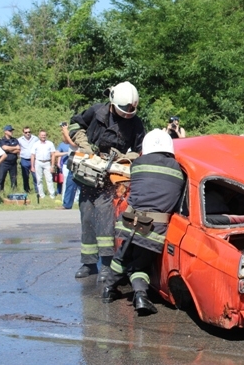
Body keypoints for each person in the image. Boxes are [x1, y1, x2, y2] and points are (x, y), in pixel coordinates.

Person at [102, 129, 185, 315]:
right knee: (140, 264)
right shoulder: (178, 170)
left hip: (130, 221)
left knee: (123, 255)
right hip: (155, 229)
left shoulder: (138, 164)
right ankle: (141, 296)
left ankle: (108, 289)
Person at [69, 81, 145, 281]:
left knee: (105, 217)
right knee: (87, 216)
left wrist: (124, 157)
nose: (128, 114)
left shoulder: (135, 122)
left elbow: (140, 151)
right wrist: (84, 144)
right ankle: (88, 263)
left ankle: (106, 263)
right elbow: (75, 125)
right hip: (89, 172)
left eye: (131, 111)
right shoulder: (96, 112)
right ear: (112, 103)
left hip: (112, 176)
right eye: (124, 111)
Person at [58, 123, 80, 209]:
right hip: (73, 160)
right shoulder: (72, 135)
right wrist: (64, 132)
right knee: (70, 183)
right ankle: (67, 204)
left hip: (79, 161)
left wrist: (66, 132)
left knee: (82, 185)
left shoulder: (81, 135)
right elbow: (66, 141)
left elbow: (74, 144)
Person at [30, 129, 56, 199]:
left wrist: (52, 165)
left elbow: (53, 154)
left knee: (49, 179)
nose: (43, 136)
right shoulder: (35, 144)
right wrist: (32, 166)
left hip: (47, 162)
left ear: (46, 136)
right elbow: (32, 155)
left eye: (44, 135)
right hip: (38, 162)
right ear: (39, 136)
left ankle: (52, 195)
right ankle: (41, 195)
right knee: (39, 179)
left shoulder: (50, 143)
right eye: (42, 135)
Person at [0, 125, 20, 192]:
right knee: (1, 178)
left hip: (13, 163)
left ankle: (14, 191)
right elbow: (4, 148)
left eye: (11, 130)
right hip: (4, 162)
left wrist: (8, 150)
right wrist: (14, 148)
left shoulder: (15, 140)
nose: (11, 132)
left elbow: (18, 150)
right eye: (10, 130)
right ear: (5, 132)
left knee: (14, 179)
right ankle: (0, 191)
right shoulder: (1, 140)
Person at [18, 126, 39, 193]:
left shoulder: (35, 139)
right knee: (25, 176)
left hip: (34, 159)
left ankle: (37, 190)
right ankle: (26, 190)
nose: (28, 133)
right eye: (26, 132)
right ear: (23, 133)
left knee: (35, 176)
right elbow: (17, 148)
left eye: (29, 132)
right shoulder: (19, 140)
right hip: (24, 159)